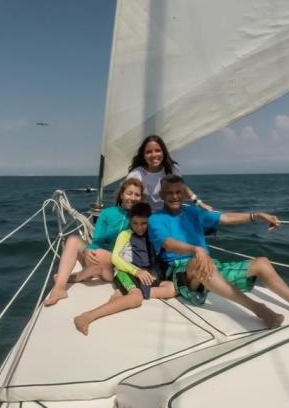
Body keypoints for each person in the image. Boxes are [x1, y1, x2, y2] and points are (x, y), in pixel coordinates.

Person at [148, 174, 289, 328]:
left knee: (262, 263)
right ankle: (259, 309)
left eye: (178, 192)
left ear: (183, 194)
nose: (174, 196)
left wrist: (257, 215)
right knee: (200, 262)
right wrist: (196, 250)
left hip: (210, 266)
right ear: (162, 195)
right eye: (169, 193)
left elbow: (226, 217)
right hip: (182, 275)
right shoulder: (155, 219)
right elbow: (167, 243)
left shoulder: (193, 212)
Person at [73, 202, 176, 335]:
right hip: (125, 272)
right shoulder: (125, 235)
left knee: (172, 288)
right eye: (135, 223)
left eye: (144, 223)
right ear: (130, 221)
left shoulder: (152, 236)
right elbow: (115, 259)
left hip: (145, 274)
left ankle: (124, 294)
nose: (139, 227)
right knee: (136, 298)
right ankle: (87, 316)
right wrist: (136, 271)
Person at [44, 178, 143, 307]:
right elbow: (97, 240)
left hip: (117, 265)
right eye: (129, 193)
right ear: (122, 194)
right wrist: (87, 250)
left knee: (99, 255)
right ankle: (59, 288)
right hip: (100, 256)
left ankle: (78, 276)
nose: (133, 197)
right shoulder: (107, 213)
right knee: (73, 240)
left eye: (137, 194)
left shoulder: (140, 218)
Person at [127, 135, 213, 212]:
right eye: (149, 152)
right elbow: (127, 197)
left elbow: (183, 188)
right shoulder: (136, 174)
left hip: (169, 214)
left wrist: (200, 204)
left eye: (157, 150)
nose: (154, 155)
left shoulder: (172, 169)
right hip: (145, 218)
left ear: (163, 152)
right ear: (143, 155)